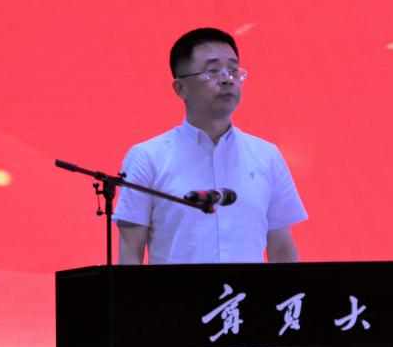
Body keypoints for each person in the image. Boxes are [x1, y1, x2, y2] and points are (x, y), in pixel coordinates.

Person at [113, 27, 307, 264]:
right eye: (212, 70)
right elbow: (130, 254)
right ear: (181, 88)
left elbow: (282, 249)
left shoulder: (267, 156)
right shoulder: (147, 157)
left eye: (233, 70)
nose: (227, 79)